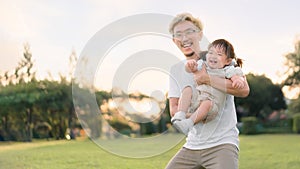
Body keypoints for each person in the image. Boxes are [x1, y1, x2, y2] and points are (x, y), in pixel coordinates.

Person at [166, 13, 249, 169]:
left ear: (200, 34)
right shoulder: (176, 70)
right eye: (179, 34)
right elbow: (174, 110)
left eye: (189, 31)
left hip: (222, 144)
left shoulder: (219, 57)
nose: (184, 38)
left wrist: (206, 79)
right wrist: (197, 116)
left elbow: (244, 90)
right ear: (174, 40)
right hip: (192, 145)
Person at [171, 39, 245, 135]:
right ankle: (180, 114)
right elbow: (190, 69)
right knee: (187, 89)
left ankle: (188, 124)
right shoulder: (203, 64)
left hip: (211, 105)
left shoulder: (227, 70)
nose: (213, 56)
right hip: (197, 99)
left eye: (219, 54)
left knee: (207, 103)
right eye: (211, 53)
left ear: (228, 61)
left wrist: (238, 81)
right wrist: (190, 65)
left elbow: (237, 77)